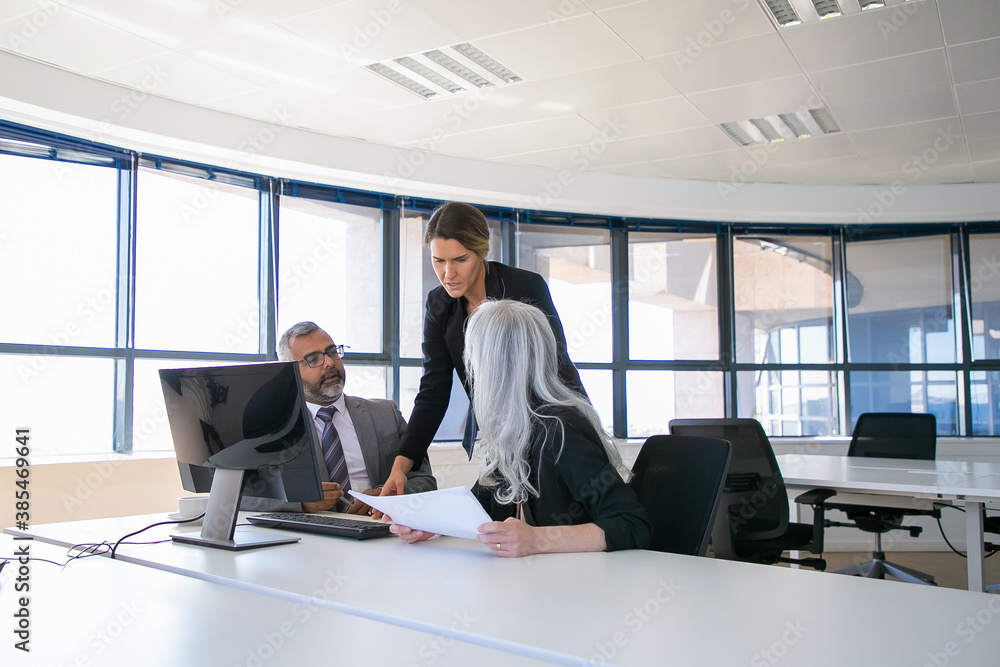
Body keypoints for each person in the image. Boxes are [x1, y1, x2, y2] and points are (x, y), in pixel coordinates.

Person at [390, 300, 651, 557]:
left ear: (492, 367)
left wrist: (537, 539)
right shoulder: (513, 427)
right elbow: (481, 507)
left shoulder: (561, 430)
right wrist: (431, 524)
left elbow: (632, 523)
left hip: (579, 588)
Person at [380, 201, 585, 498]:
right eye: (438, 261)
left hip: (551, 422)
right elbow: (433, 390)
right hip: (500, 433)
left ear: (482, 251)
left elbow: (554, 366)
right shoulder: (439, 305)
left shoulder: (525, 286)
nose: (448, 273)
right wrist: (401, 466)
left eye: (459, 260)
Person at [243, 322, 435, 514]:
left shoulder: (387, 414)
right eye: (313, 359)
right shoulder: (270, 428)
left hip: (380, 532)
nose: (329, 363)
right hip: (312, 539)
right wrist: (301, 504)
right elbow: (242, 497)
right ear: (289, 371)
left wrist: (385, 495)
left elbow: (425, 481)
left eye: (332, 352)